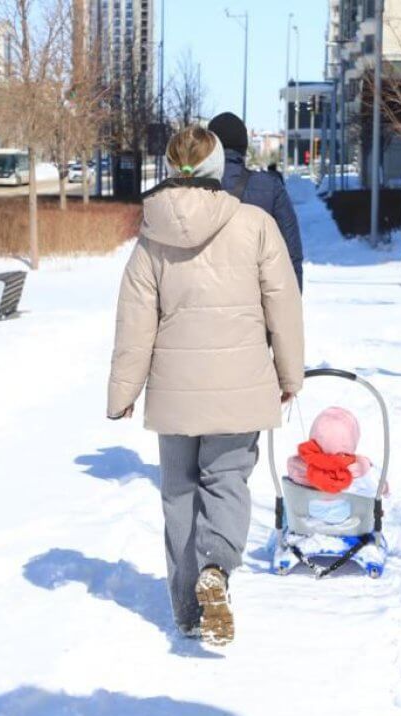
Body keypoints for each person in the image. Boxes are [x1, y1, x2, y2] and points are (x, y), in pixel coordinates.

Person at [107, 125, 304, 647]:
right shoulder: (255, 225)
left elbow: (135, 319)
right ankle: (216, 568)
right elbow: (282, 305)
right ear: (219, 167)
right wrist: (289, 374)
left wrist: (122, 392)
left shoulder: (152, 235)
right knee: (227, 481)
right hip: (241, 384)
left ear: (171, 167)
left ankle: (187, 608)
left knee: (179, 493)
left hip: (174, 389)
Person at [208, 112, 304, 291]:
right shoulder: (271, 188)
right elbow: (291, 254)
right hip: (254, 308)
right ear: (244, 149)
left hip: (197, 307)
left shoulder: (188, 191)